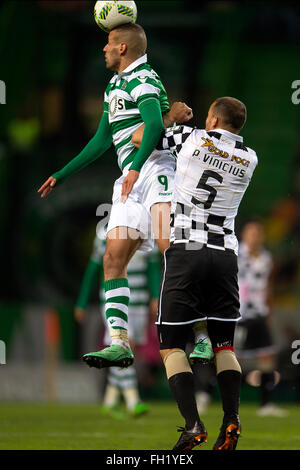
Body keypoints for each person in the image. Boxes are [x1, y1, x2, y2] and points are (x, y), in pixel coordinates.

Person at [38, 23, 192, 370]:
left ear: (123, 48)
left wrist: (136, 167)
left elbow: (154, 125)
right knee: (112, 258)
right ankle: (120, 342)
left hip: (156, 170)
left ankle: (200, 332)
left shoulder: (145, 78)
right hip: (129, 178)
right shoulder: (114, 86)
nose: (103, 50)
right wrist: (61, 174)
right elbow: (100, 141)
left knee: (171, 247)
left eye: (108, 43)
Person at [132, 96, 258, 450]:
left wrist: (170, 117)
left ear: (214, 120)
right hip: (224, 255)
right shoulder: (250, 158)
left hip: (187, 251)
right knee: (224, 345)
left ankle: (192, 425)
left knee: (172, 345)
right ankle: (232, 418)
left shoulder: (191, 138)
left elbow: (140, 137)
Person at [74, 230, 161, 417]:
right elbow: (93, 268)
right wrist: (82, 301)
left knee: (130, 349)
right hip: (112, 299)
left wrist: (155, 295)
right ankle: (133, 400)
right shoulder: (105, 231)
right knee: (124, 345)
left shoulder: (146, 228)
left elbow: (153, 267)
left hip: (138, 301)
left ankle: (110, 399)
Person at [235, 219, 287, 417]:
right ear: (244, 235)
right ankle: (206, 395)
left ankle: (266, 404)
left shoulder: (266, 258)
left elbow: (268, 286)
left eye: (258, 233)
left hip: (259, 313)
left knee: (267, 356)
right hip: (237, 313)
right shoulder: (235, 253)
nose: (254, 237)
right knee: (230, 357)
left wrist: (269, 311)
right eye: (251, 233)